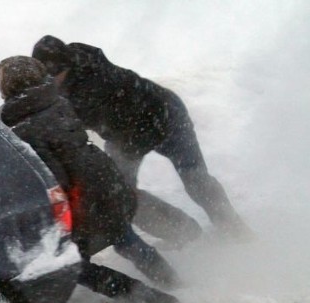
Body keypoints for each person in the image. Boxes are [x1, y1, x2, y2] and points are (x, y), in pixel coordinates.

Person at [0, 55, 179, 303]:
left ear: (11, 85)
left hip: (86, 202)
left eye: (0, 79)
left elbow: (55, 180)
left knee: (76, 266)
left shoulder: (25, 126)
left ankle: (158, 302)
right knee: (123, 236)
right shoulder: (53, 102)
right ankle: (173, 281)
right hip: (106, 184)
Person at [32, 35, 253, 247]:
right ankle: (184, 233)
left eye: (52, 79)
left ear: (63, 68)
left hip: (167, 120)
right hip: (127, 133)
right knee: (119, 194)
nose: (49, 85)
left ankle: (234, 229)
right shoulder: (75, 61)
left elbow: (68, 122)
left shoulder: (92, 88)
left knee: (195, 179)